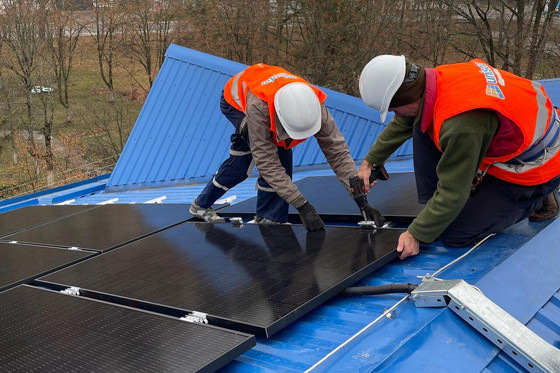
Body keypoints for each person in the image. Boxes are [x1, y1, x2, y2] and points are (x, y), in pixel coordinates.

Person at [357, 55, 560, 259]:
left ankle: (537, 199)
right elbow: (406, 119)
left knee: (455, 233)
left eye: (394, 109)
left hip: (540, 166)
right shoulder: (436, 79)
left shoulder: (460, 124)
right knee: (420, 121)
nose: (395, 115)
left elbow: (454, 193)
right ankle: (435, 208)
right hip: (523, 136)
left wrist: (415, 233)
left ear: (406, 98)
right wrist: (371, 161)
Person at [190, 63, 383, 231]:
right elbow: (266, 162)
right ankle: (205, 206)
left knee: (275, 153)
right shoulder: (260, 108)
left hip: (267, 95)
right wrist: (302, 205)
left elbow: (338, 153)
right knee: (248, 162)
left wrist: (361, 200)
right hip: (236, 102)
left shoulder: (314, 105)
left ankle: (270, 217)